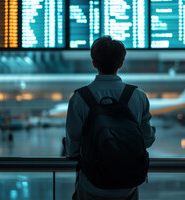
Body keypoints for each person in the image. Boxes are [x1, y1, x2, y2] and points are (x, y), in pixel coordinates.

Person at [65, 36, 156, 200]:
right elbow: (146, 141)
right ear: (121, 63)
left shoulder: (79, 98)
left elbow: (72, 149)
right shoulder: (138, 95)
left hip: (90, 184)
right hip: (127, 185)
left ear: (94, 63)